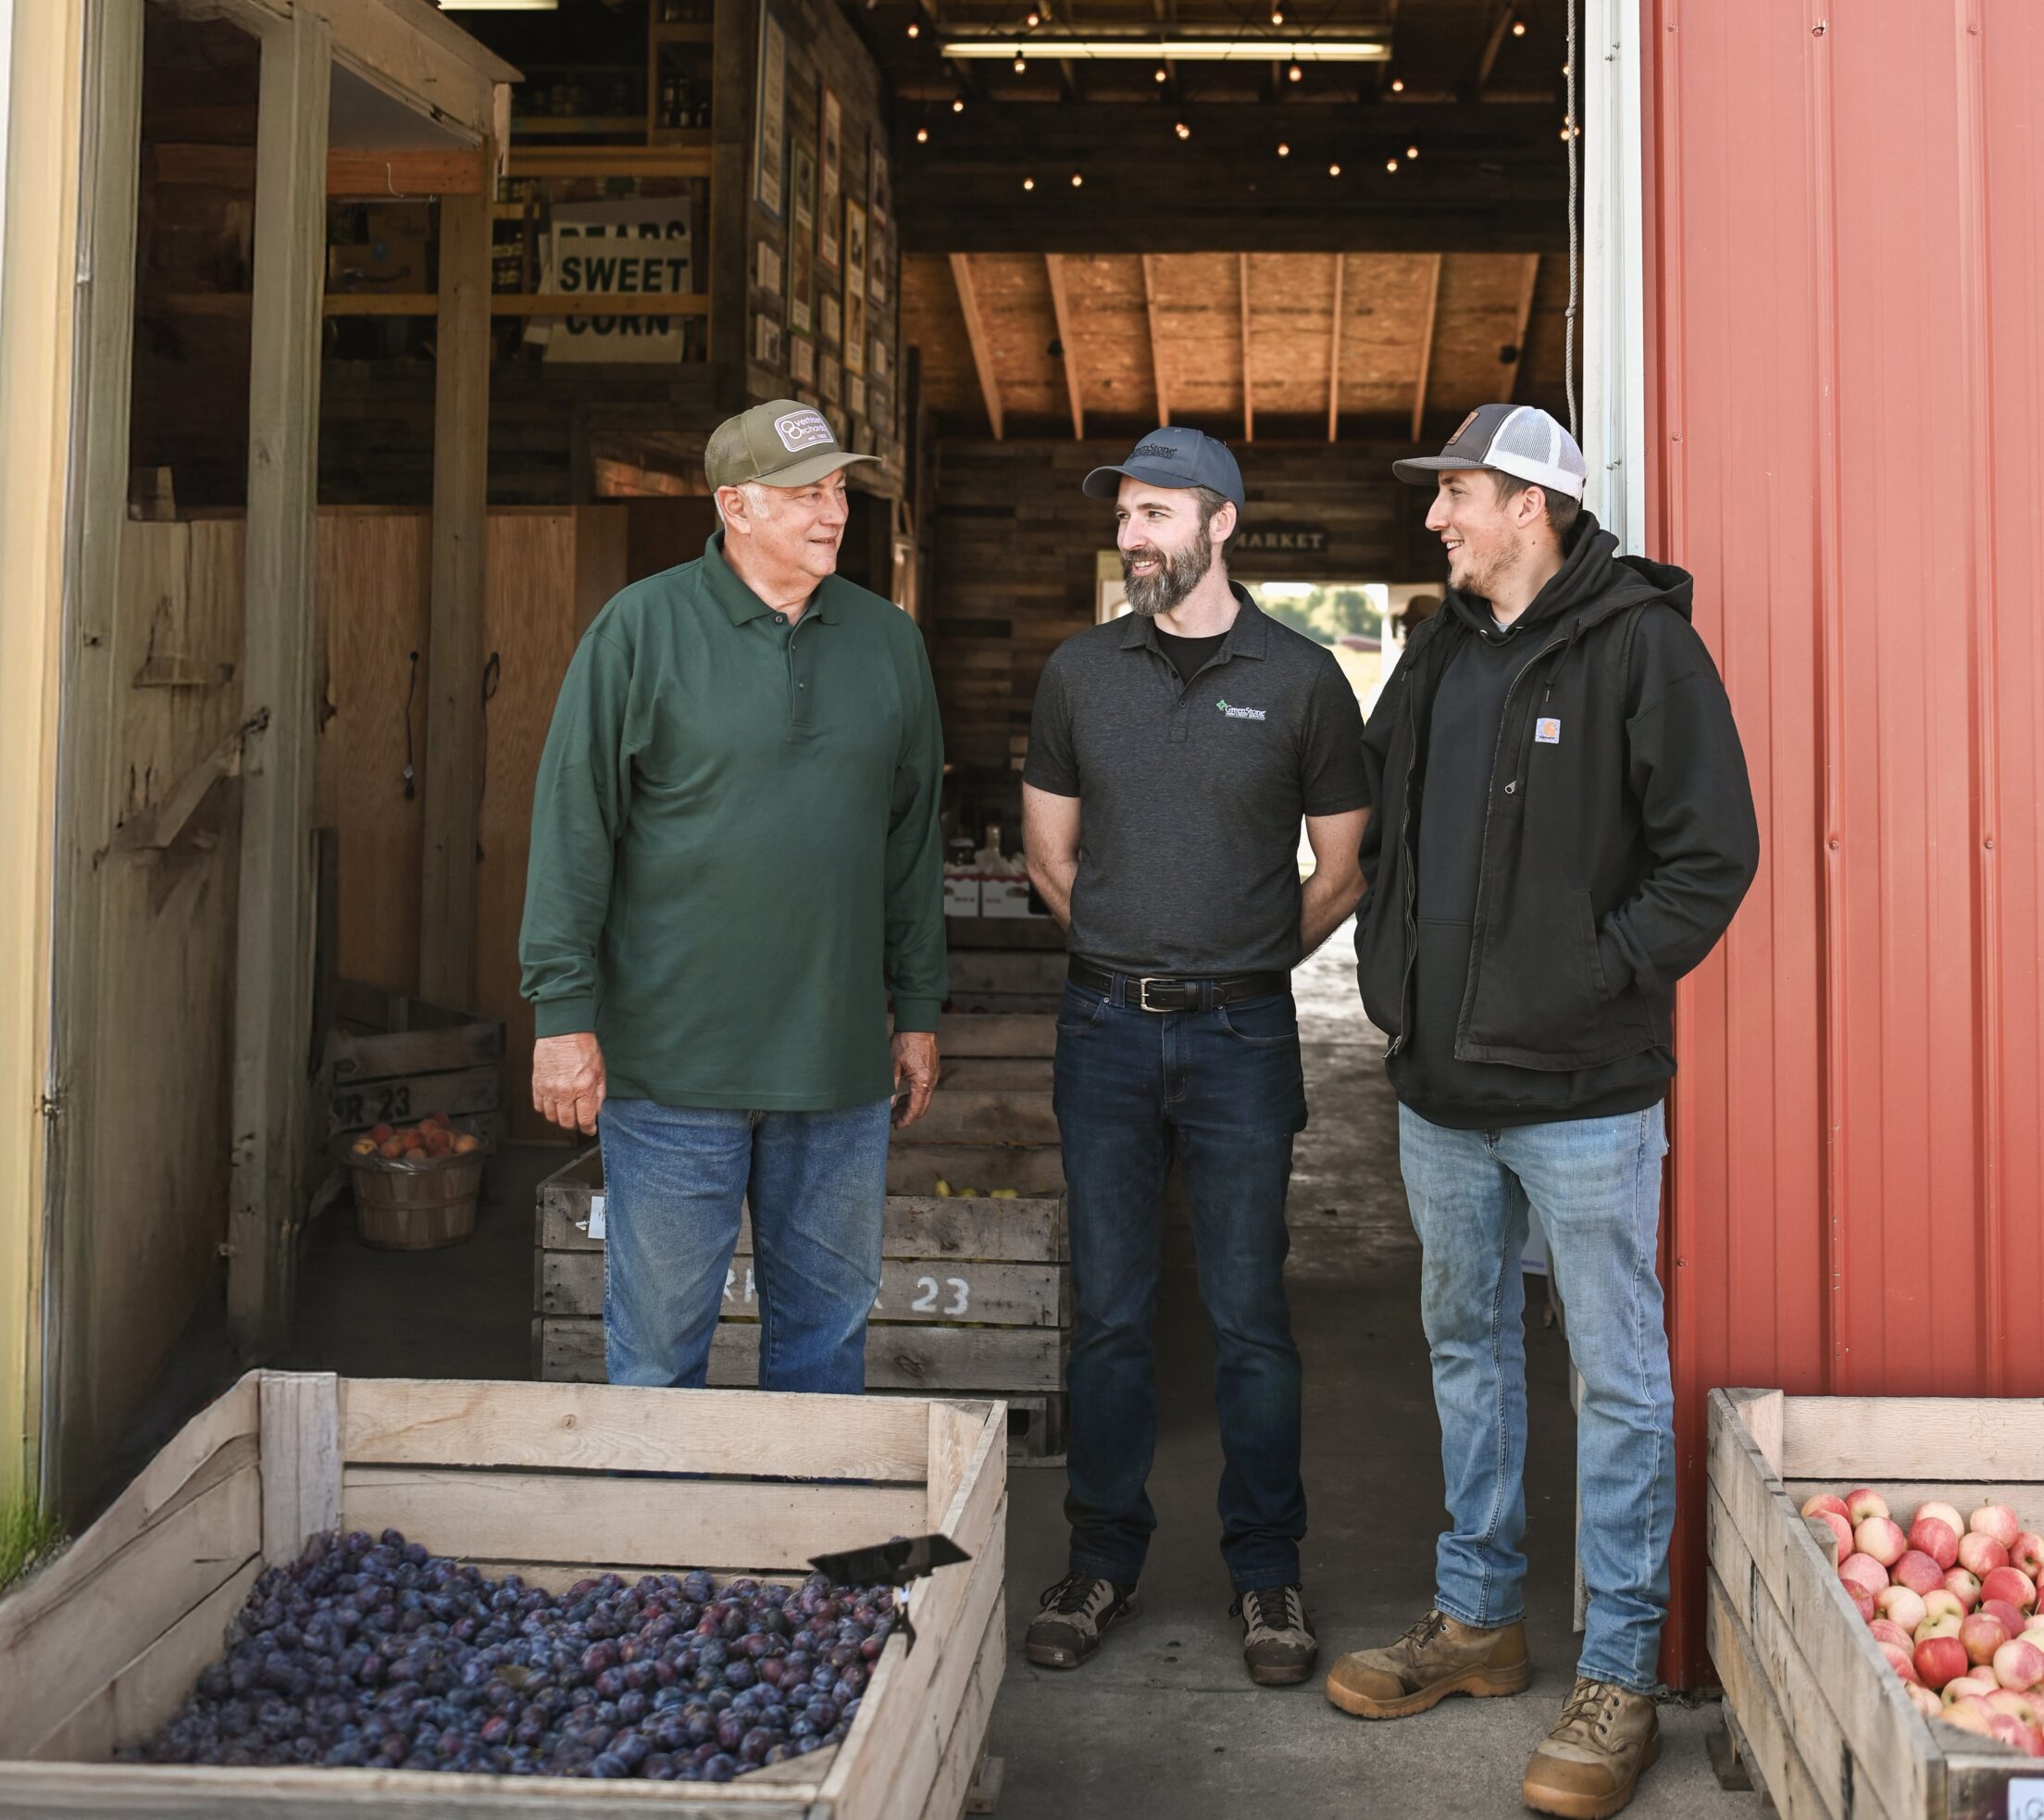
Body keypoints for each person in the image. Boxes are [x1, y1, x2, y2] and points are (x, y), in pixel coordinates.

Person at [1324, 404, 1758, 1820]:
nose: (1437, 519)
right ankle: (1480, 1620)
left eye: (1457, 495)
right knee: (1467, 1345)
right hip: (1442, 1088)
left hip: (1584, 1093)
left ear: (1533, 506)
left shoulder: (1643, 645)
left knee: (1617, 1375)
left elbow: (1712, 855)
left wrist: (1593, 975)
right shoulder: (1442, 646)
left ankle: (1619, 1671)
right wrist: (1387, 966)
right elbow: (1375, 806)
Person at [1017, 429, 1371, 1686]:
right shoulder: (1078, 673)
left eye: (1156, 513)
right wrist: (1123, 950)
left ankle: (1265, 1569)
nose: (1133, 534)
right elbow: (1047, 854)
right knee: (1110, 1315)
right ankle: (1100, 1556)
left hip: (1243, 1033)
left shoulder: (1304, 677)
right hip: (1104, 1026)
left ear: (1222, 521)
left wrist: (1246, 959)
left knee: (1249, 1318)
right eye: (1125, 513)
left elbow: (1343, 865)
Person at [517, 401, 946, 1393]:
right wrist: (561, 1015)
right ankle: (666, 1552)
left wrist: (917, 1009)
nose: (832, 510)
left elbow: (909, 844)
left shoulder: (887, 643)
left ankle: (801, 1552)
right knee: (659, 1355)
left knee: (825, 1348)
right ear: (734, 505)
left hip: (836, 1069)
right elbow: (574, 828)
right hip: (673, 1067)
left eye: (838, 488)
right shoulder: (640, 627)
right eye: (805, 492)